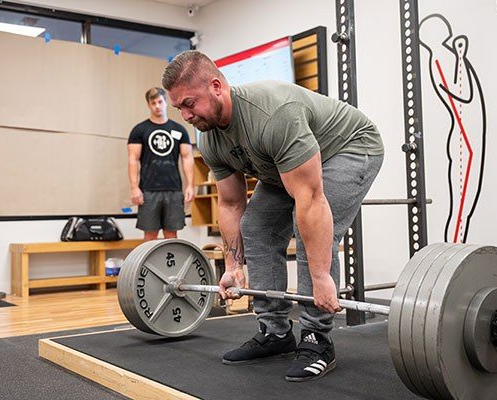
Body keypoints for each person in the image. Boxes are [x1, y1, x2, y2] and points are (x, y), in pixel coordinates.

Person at [162, 51, 384, 382]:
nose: (185, 115)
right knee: (257, 226)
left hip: (349, 148)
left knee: (305, 225)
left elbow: (309, 199)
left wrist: (322, 277)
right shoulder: (209, 138)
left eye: (189, 104)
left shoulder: (271, 114)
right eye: (179, 107)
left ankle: (316, 338)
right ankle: (275, 332)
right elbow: (231, 204)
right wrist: (233, 267)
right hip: (287, 164)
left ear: (216, 86)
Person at [127, 87, 194, 241]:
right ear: (148, 105)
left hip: (174, 190)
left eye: (160, 102)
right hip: (149, 190)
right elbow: (133, 159)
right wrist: (134, 187)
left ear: (165, 102)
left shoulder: (179, 130)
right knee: (150, 236)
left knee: (171, 236)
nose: (157, 106)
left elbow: (187, 158)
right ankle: (148, 266)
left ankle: (170, 266)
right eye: (153, 103)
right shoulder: (139, 130)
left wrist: (190, 185)